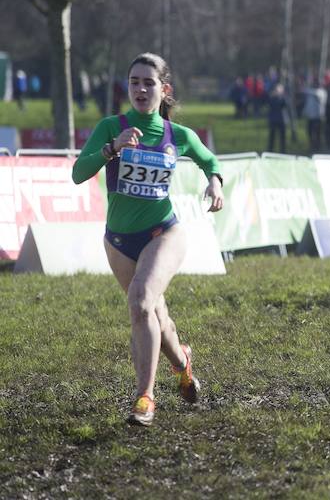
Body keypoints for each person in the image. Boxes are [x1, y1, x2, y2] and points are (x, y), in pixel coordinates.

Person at [72, 53, 224, 426]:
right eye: (134, 82)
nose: (140, 89)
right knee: (155, 314)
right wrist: (112, 148)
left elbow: (209, 160)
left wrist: (215, 182)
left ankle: (145, 397)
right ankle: (183, 363)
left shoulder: (177, 135)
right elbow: (78, 173)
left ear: (164, 89)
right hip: (120, 241)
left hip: (163, 233)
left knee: (140, 301)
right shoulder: (112, 126)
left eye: (149, 82)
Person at [267, 83, 290, 153]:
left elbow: (286, 105)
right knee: (272, 136)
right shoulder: (272, 97)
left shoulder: (283, 98)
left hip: (281, 120)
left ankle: (283, 151)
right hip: (273, 119)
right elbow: (270, 104)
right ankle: (270, 151)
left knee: (282, 137)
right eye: (278, 89)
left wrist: (282, 97)